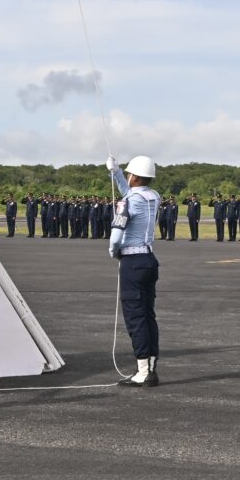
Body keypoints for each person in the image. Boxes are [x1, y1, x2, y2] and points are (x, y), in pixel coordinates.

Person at [106, 155, 161, 387]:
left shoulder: (128, 201)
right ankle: (150, 368)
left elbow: (118, 228)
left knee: (135, 317)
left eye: (129, 174)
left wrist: (113, 250)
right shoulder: (153, 196)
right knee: (148, 316)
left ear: (135, 176)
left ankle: (142, 371)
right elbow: (129, 190)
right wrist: (116, 171)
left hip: (132, 261)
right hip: (149, 259)